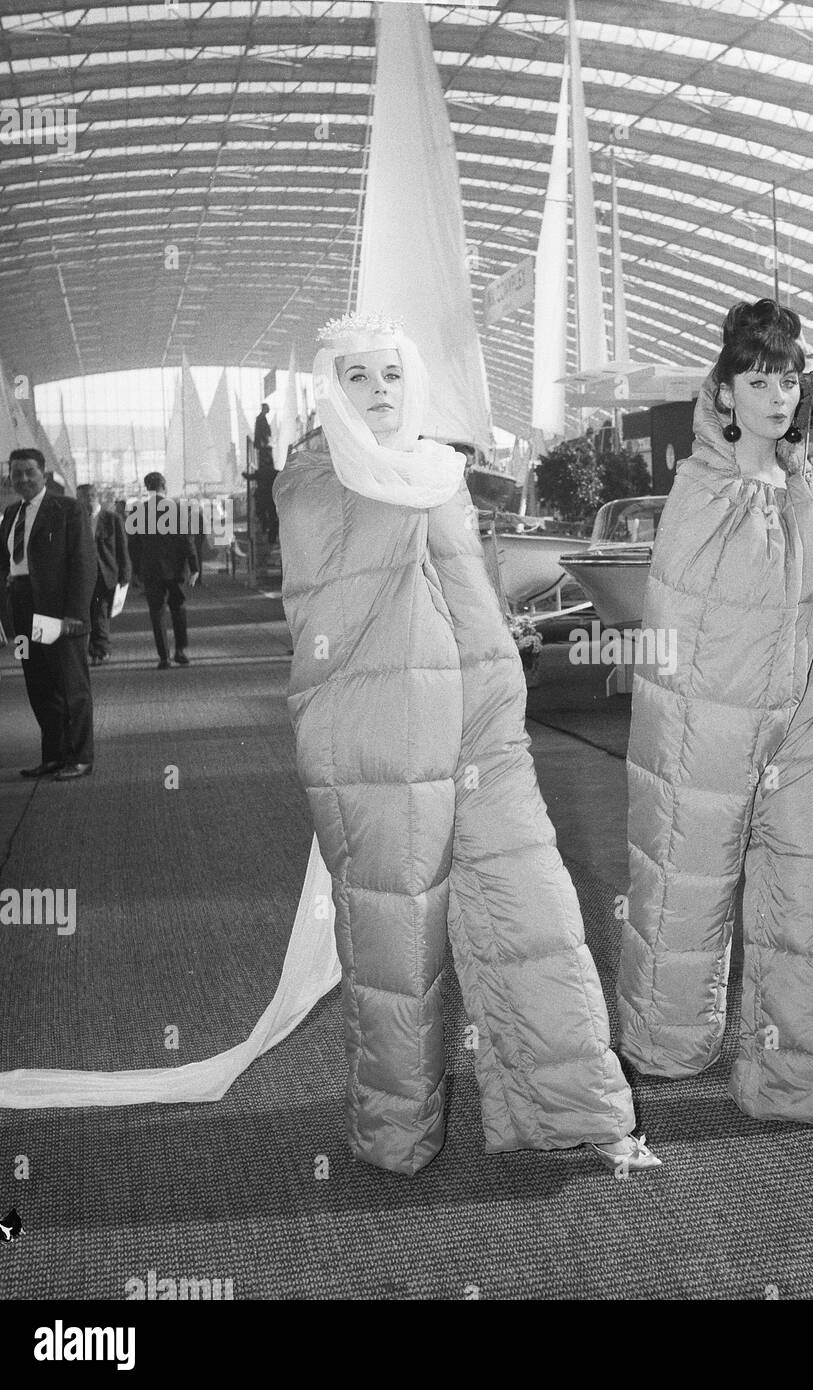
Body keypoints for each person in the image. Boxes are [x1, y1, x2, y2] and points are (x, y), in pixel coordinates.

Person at [275, 311, 658, 1177]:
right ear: (331, 387)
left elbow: (474, 610)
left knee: (536, 916)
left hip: (475, 730)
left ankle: (568, 1110)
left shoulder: (436, 475)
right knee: (395, 953)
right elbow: (324, 614)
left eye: (391, 375)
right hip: (370, 746)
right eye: (359, 376)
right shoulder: (311, 481)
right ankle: (394, 1136)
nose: (378, 392)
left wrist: (500, 706)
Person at [618, 300, 813, 1130]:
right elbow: (676, 629)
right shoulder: (698, 492)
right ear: (723, 393)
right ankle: (658, 1051)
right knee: (683, 884)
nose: (777, 396)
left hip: (807, 727)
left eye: (789, 380)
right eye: (759, 380)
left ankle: (807, 1083)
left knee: (812, 895)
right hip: (711, 722)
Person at [0, 448, 95, 780]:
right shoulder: (11, 514)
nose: (22, 478)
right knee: (38, 684)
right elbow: (3, 558)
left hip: (56, 612)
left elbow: (84, 564)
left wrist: (75, 615)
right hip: (23, 611)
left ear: (43, 473)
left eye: (29, 472)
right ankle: (53, 756)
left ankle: (79, 757)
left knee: (70, 685)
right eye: (16, 473)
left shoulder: (67, 509)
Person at [127, 471, 197, 670]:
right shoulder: (176, 509)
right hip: (175, 570)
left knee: (156, 612)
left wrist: (137, 571)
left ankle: (163, 656)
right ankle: (180, 651)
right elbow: (187, 540)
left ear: (146, 488)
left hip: (150, 570)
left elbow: (133, 545)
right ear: (164, 487)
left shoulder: (138, 511)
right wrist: (194, 567)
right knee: (178, 608)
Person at [77, 483, 131, 666]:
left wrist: (125, 574)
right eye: (84, 496)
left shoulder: (112, 519)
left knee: (100, 614)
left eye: (91, 495)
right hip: (82, 577)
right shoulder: (76, 520)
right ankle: (94, 649)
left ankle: (101, 650)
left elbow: (122, 548)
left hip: (105, 575)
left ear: (96, 496)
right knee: (87, 614)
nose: (89, 498)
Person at [253, 403, 273, 469]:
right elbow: (260, 431)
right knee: (263, 458)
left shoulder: (261, 417)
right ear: (264, 409)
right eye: (267, 408)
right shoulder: (261, 418)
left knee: (263, 458)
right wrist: (262, 442)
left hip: (262, 442)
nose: (268, 409)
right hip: (262, 442)